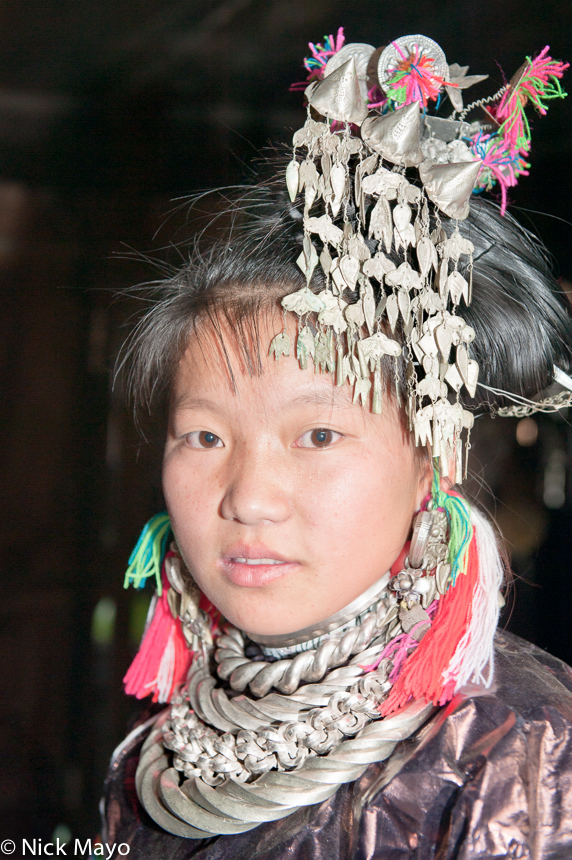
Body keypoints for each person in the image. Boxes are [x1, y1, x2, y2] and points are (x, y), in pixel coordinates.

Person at [102, 31, 572, 859]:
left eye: (318, 434)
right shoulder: (159, 760)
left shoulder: (519, 748)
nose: (247, 496)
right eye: (204, 436)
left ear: (436, 458)